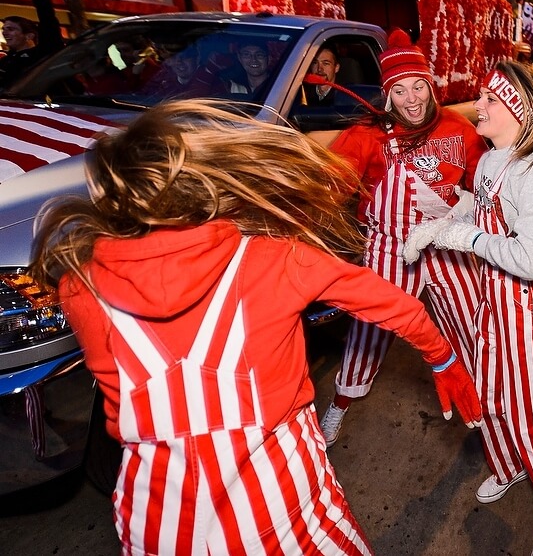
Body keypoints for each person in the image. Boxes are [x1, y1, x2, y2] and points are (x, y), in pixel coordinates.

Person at [29, 101, 483, 555]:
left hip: (159, 525)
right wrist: (441, 357)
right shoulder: (276, 260)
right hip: (282, 510)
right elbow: (394, 304)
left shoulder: (77, 286)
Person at [405, 60, 533, 556]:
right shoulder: (490, 158)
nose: (476, 105)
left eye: (489, 99)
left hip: (529, 309)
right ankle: (508, 465)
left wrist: (469, 236)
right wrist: (449, 210)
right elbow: (485, 210)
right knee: (492, 396)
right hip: (494, 303)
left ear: (520, 112)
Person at [320, 29, 488, 445]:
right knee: (370, 327)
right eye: (400, 91)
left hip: (446, 241)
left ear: (430, 87)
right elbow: (329, 186)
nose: (412, 99)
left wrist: (470, 207)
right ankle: (340, 402)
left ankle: (484, 404)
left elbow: (484, 185)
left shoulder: (458, 128)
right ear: (387, 95)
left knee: (474, 320)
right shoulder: (367, 135)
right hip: (390, 245)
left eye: (419, 87)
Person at [1, 0, 64, 90]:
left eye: (11, 29)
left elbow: (47, 18)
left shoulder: (43, 54)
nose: (5, 32)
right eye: (4, 29)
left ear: (29, 36)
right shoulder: (5, 62)